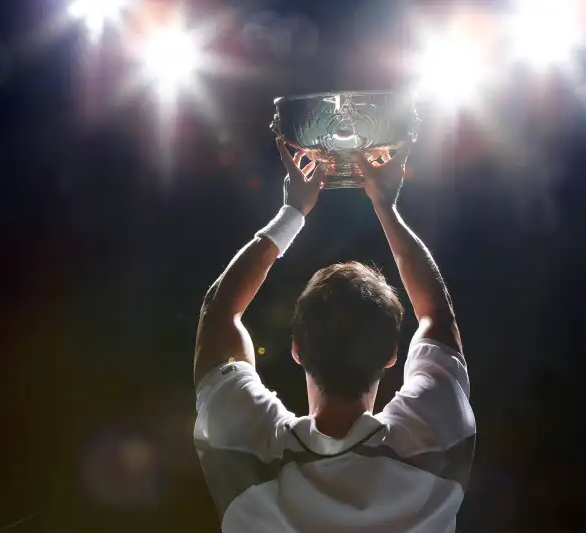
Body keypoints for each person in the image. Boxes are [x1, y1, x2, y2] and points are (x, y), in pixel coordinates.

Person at [193, 138, 476, 533]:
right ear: (391, 355)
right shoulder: (429, 444)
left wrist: (293, 211)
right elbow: (437, 319)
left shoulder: (254, 452)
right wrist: (386, 206)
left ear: (297, 350)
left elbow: (218, 312)